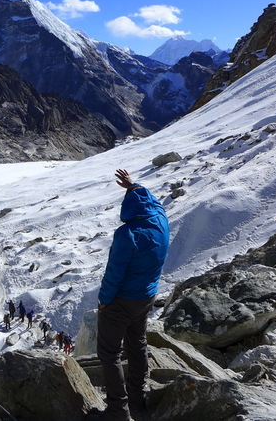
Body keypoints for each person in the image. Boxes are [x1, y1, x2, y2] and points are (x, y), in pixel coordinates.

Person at [97, 169, 169, 421]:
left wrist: (104, 301)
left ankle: (118, 410)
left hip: (122, 301)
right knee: (137, 343)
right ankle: (139, 395)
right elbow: (154, 202)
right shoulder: (160, 219)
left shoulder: (128, 234)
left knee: (109, 352)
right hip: (146, 297)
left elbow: (114, 273)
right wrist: (133, 186)